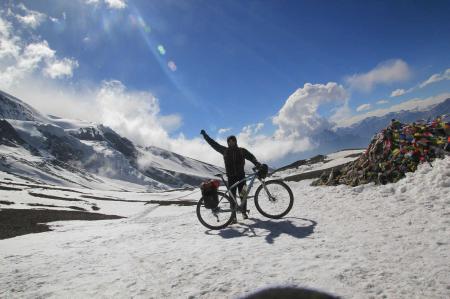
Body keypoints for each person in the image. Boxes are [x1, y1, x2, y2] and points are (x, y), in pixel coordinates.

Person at [201, 129, 261, 221]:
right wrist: (205, 136)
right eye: (229, 141)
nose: (231, 143)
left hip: (242, 177)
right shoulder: (224, 151)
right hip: (231, 178)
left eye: (233, 141)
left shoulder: (242, 150)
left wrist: (256, 163)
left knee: (243, 196)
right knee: (232, 198)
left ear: (235, 141)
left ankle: (244, 212)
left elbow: (251, 156)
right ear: (227, 142)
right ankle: (233, 217)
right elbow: (213, 144)